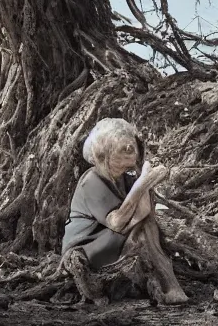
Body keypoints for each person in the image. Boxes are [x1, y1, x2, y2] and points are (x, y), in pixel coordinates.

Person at [61, 118, 188, 304]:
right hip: (87, 246)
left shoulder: (126, 176)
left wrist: (144, 183)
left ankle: (166, 284)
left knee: (147, 226)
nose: (128, 168)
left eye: (130, 163)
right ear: (102, 157)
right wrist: (143, 183)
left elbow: (144, 212)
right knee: (143, 228)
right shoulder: (92, 182)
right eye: (120, 162)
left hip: (114, 238)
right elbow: (117, 223)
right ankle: (169, 286)